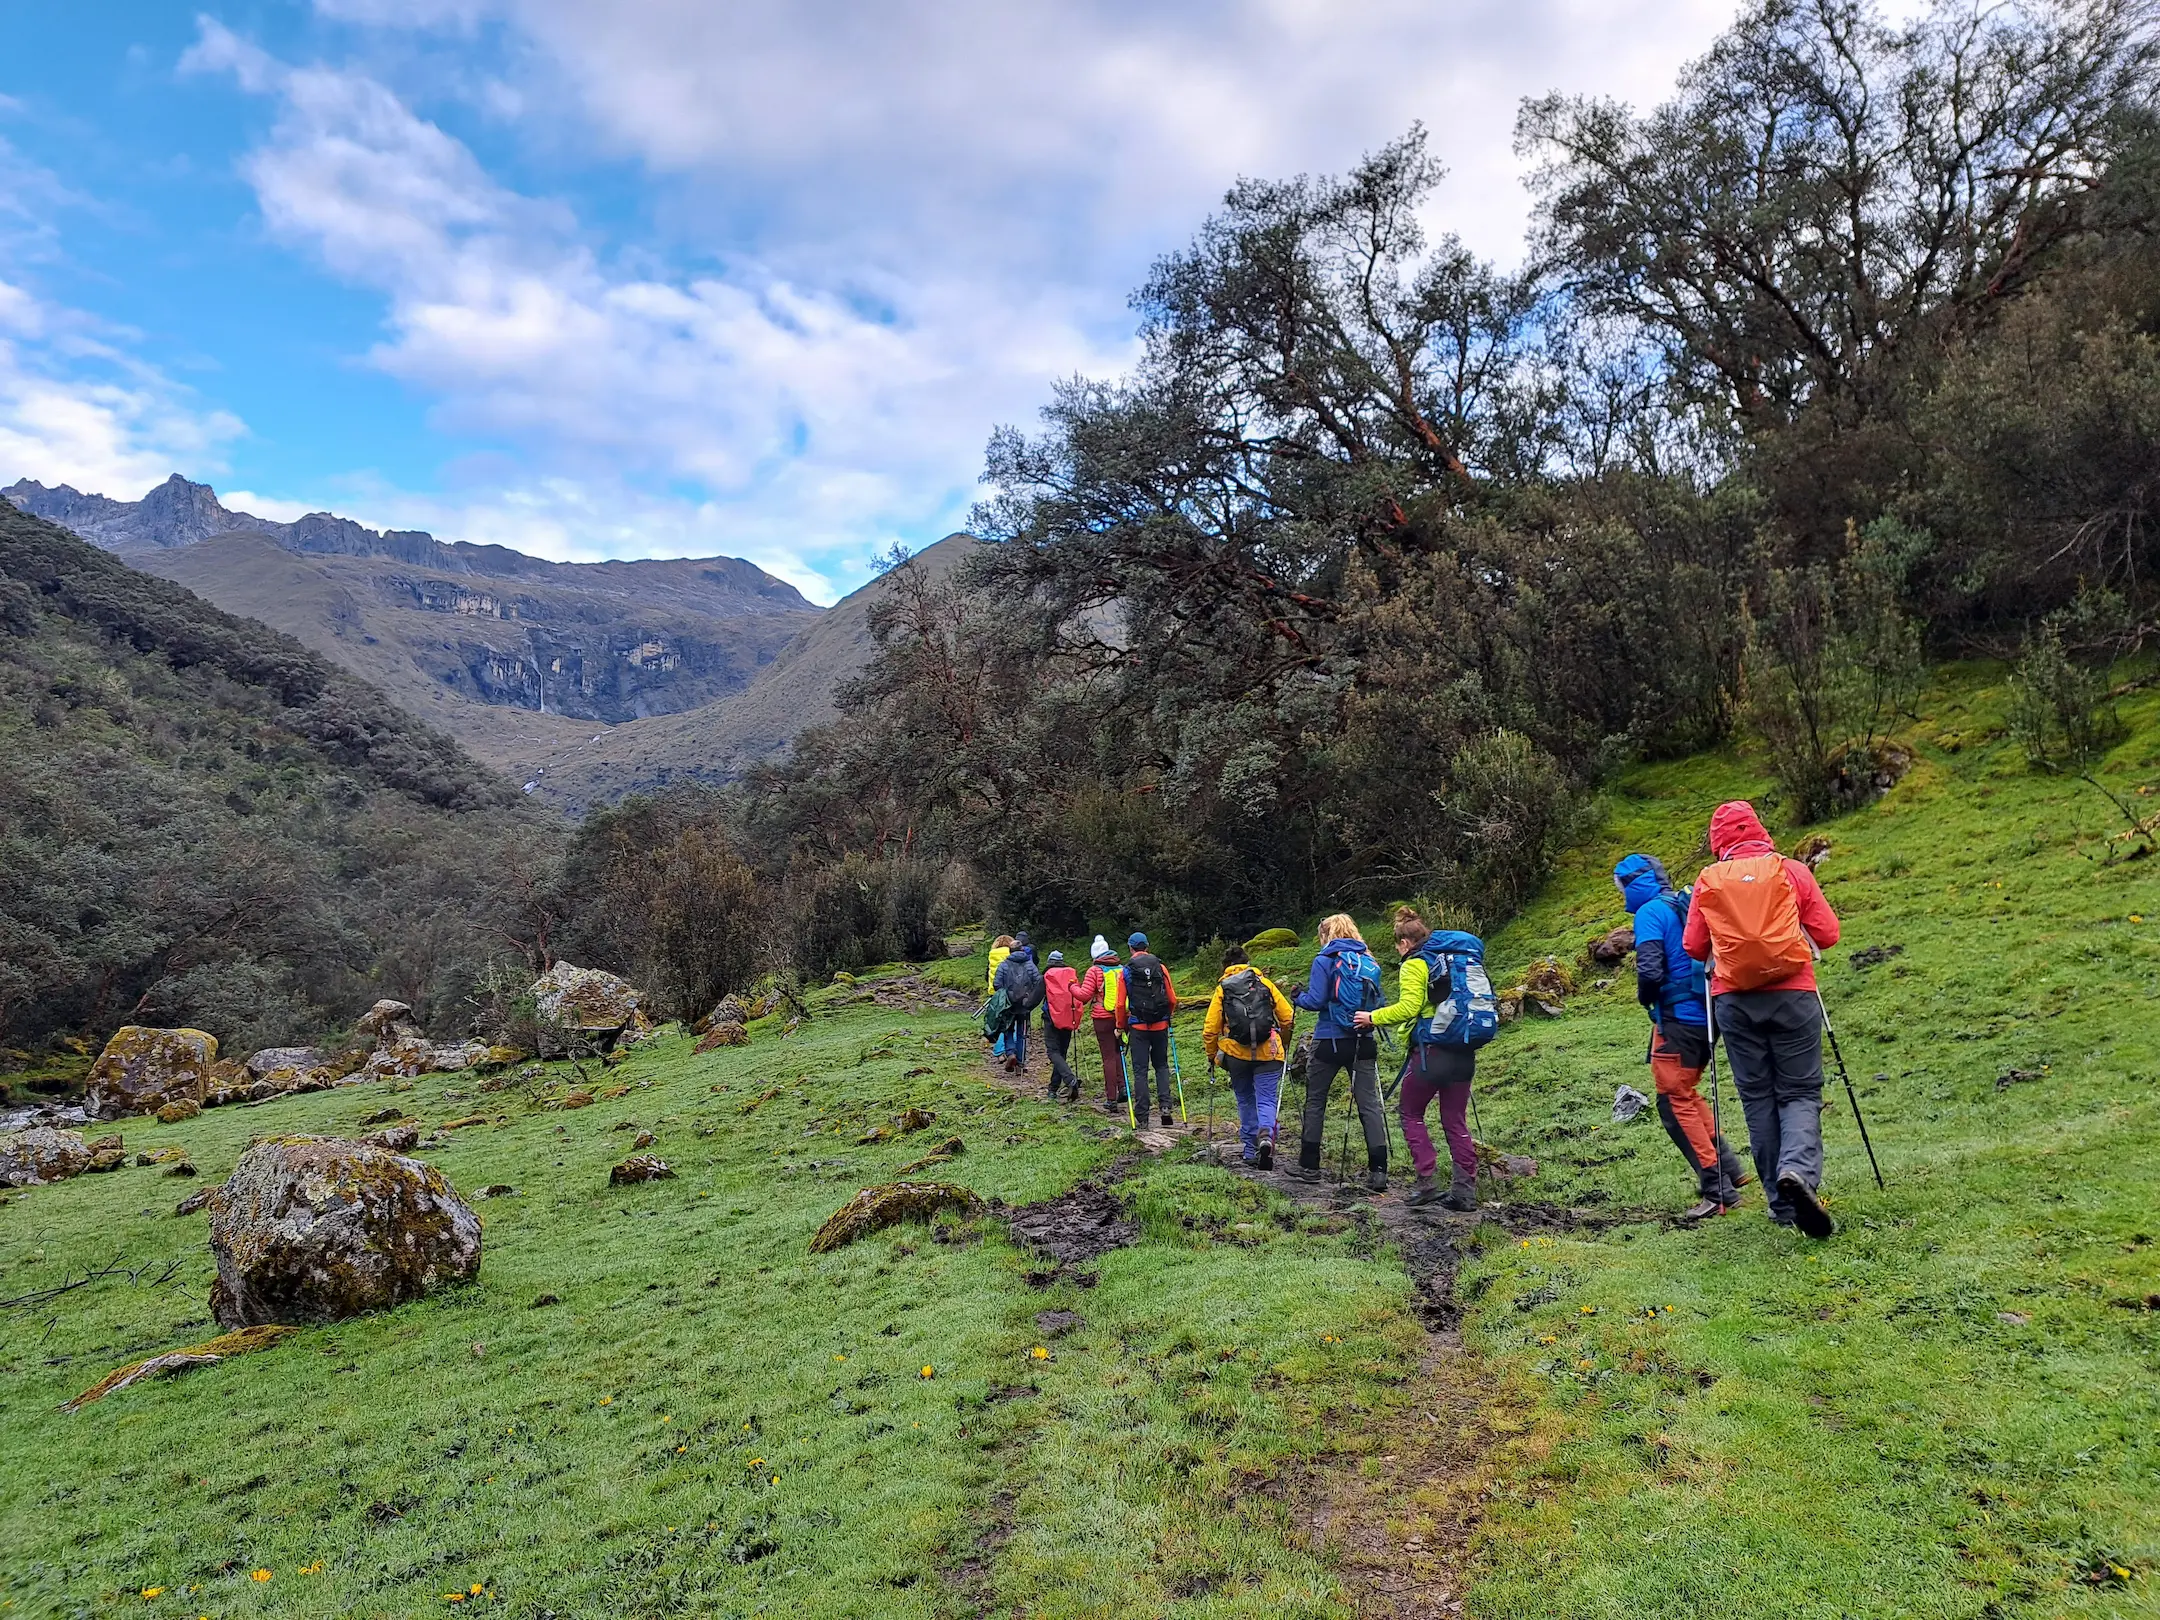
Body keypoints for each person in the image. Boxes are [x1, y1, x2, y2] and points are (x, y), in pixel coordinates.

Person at [1682, 800, 1843, 1239]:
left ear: (1719, 842)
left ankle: (1780, 1202)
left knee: (1758, 1099)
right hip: (1794, 994)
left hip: (1735, 1001)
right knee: (1801, 1092)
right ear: (1760, 830)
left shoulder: (1708, 880)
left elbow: (1694, 946)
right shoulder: (1790, 871)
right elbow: (1828, 933)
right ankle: (1798, 1174)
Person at [1615, 855, 1751, 1221]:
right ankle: (1731, 1170)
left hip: (1677, 1021)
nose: (1620, 894)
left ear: (1633, 885)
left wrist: (1647, 999)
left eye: (1620, 886)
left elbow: (1650, 970)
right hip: (1708, 1015)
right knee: (1686, 1094)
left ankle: (1716, 1191)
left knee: (1673, 1102)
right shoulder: (1682, 904)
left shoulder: (1649, 914)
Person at [1360, 907, 1494, 1210]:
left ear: (1405, 943)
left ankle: (1426, 1182)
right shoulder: (1455, 960)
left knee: (1410, 1112)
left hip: (1432, 1053)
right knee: (1455, 1120)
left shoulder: (1414, 964)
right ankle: (1464, 1192)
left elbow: (1408, 1007)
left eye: (1397, 946)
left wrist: (1372, 1017)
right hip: (1464, 1050)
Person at [1291, 914, 1389, 1189]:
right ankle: (1379, 1170)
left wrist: (1299, 997)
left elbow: (1317, 1000)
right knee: (1369, 1104)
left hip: (1329, 1039)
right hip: (1363, 1038)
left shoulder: (1325, 960)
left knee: (1316, 1101)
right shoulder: (1369, 961)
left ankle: (1309, 1166)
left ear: (1326, 935)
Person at [1202, 945, 1295, 1167]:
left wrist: (1213, 1055)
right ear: (1247, 961)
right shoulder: (1264, 983)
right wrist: (1284, 1040)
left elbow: (1210, 1029)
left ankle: (1250, 1149)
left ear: (1226, 968)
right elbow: (1288, 1017)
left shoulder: (1223, 988)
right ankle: (1266, 1136)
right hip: (1269, 1051)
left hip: (1236, 1054)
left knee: (1245, 1098)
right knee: (1267, 1099)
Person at [1114, 931, 1179, 1127]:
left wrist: (1120, 1027)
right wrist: (1167, 1016)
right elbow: (1172, 998)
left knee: (1140, 1070)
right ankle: (1165, 1107)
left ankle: (1142, 1116)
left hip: (1138, 1026)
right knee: (1161, 1066)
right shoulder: (1160, 967)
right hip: (1160, 1025)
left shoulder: (1126, 971)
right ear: (1147, 947)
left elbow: (1119, 1005)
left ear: (1130, 948)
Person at [1075, 936, 1129, 1112]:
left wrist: (1071, 987)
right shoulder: (1122, 969)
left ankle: (1111, 1099)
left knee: (1108, 1057)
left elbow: (1083, 996)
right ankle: (1123, 1089)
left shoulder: (1094, 971)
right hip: (1122, 1016)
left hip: (1102, 1018)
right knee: (1119, 1052)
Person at [993, 933, 1045, 1073]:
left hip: (1008, 1004)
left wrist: (1006, 995)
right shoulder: (1029, 965)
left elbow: (997, 984)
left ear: (1010, 951)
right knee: (1022, 1033)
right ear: (1022, 950)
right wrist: (1031, 997)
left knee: (1008, 1029)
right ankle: (1020, 1062)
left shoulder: (1004, 965)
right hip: (1025, 1004)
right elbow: (1038, 981)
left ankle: (1011, 1054)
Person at [1040, 949, 1084, 1101]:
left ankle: (1070, 1079)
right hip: (1068, 1016)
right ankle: (1053, 1088)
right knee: (1061, 1053)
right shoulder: (1069, 974)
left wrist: (1024, 1005)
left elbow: (1034, 998)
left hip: (1051, 1019)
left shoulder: (1046, 976)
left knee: (1053, 1052)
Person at [986, 934, 1015, 1062]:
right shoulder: (1011, 954)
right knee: (1010, 1023)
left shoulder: (992, 955)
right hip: (1011, 993)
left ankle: (999, 1049)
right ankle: (1004, 1049)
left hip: (995, 994)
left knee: (999, 1022)